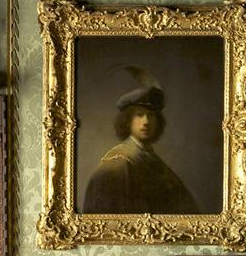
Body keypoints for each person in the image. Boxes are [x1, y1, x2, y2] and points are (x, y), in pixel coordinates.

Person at [82, 81, 198, 214]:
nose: (146, 122)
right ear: (127, 120)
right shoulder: (118, 160)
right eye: (139, 114)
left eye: (151, 115)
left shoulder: (153, 159)